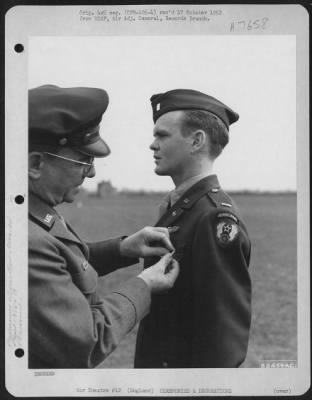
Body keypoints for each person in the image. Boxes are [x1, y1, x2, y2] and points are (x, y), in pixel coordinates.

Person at [28, 85, 179, 369]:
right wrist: (143, 286)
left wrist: (122, 249)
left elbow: (62, 266)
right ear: (36, 164)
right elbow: (87, 341)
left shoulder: (34, 211)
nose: (93, 172)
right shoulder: (26, 239)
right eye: (83, 160)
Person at [134, 89, 252, 368]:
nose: (152, 145)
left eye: (162, 135)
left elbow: (222, 336)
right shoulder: (180, 207)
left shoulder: (214, 217)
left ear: (197, 141)